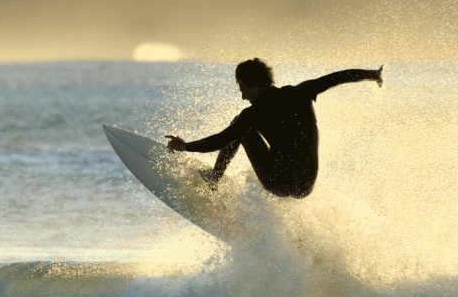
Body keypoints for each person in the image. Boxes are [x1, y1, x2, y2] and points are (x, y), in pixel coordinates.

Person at [164, 58, 383, 198]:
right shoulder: (301, 93)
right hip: (306, 185)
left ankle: (214, 179)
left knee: (238, 128)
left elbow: (222, 140)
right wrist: (372, 75)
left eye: (243, 88)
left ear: (256, 84)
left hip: (278, 183)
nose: (242, 96)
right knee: (243, 129)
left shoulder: (252, 114)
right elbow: (339, 77)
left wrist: (185, 146)